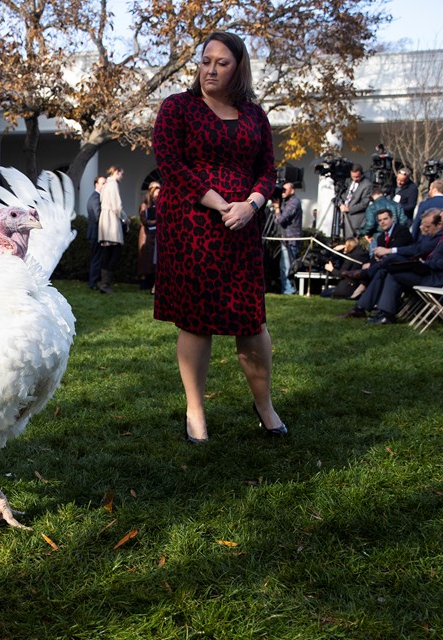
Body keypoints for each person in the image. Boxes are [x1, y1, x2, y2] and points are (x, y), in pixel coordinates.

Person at [152, 31, 286, 444]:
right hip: (191, 227)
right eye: (205, 60)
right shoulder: (178, 107)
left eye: (221, 62)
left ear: (238, 68)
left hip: (241, 228)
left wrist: (251, 204)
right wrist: (220, 203)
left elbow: (268, 169)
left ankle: (264, 405)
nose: (210, 69)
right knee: (196, 322)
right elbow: (170, 164)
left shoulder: (253, 115)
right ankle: (195, 411)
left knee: (251, 321)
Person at [340, 208, 442, 320]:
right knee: (385, 270)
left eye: (427, 226)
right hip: (423, 270)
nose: (423, 228)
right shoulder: (431, 236)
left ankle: (384, 313)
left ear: (439, 225)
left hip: (433, 278)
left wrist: (427, 263)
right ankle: (362, 308)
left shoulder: (432, 236)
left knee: (392, 269)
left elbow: (422, 251)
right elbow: (418, 249)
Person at [97, 166, 126, 294]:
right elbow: (117, 206)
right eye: (121, 174)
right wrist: (125, 218)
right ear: (117, 172)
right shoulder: (113, 184)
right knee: (115, 252)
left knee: (107, 253)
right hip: (111, 221)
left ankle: (104, 283)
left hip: (105, 221)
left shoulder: (106, 185)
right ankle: (105, 284)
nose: (122, 177)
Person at [275, 182, 302, 295]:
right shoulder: (285, 202)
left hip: (291, 240)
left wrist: (277, 208)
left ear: (292, 190)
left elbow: (280, 220)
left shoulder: (294, 202)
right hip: (285, 238)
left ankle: (289, 290)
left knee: (287, 266)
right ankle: (286, 288)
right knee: (283, 266)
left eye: (285, 190)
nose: (283, 192)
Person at [137, 181, 160, 292]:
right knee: (146, 260)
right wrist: (157, 221)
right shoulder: (144, 205)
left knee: (154, 260)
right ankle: (145, 282)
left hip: (156, 235)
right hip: (147, 235)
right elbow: (144, 220)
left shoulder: (159, 205)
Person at [339, 163, 372, 238]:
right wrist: (341, 204)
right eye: (353, 176)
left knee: (352, 241)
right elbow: (344, 195)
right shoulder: (349, 181)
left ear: (361, 174)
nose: (355, 179)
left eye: (357, 177)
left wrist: (349, 209)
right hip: (344, 216)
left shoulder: (367, 185)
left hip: (356, 219)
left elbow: (364, 203)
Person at [86, 175, 106, 291]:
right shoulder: (95, 198)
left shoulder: (96, 197)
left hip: (95, 233)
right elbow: (99, 216)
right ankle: (93, 283)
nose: (104, 186)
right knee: (96, 259)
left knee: (96, 258)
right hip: (95, 233)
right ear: (96, 184)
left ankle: (94, 282)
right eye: (103, 183)